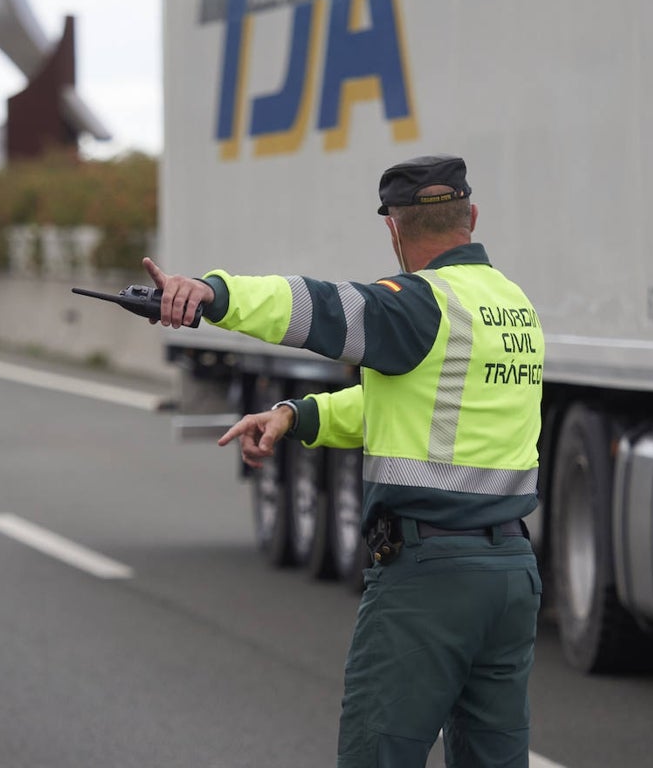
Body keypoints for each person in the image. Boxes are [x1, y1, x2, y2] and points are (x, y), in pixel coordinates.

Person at [143, 154, 544, 768]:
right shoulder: (513, 307)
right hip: (510, 574)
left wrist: (214, 294)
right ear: (472, 216)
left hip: (429, 579)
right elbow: (414, 405)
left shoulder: (418, 304)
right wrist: (298, 416)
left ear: (394, 229)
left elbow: (316, 307)